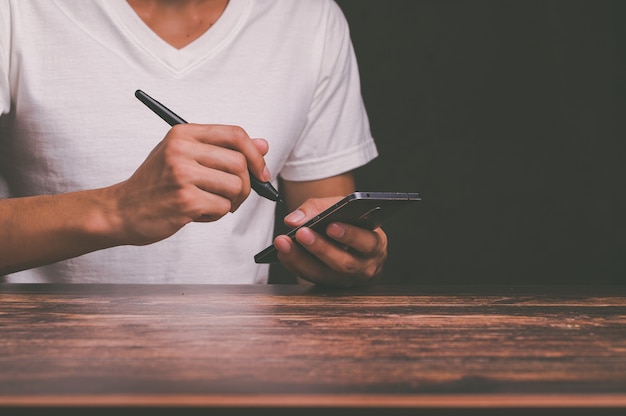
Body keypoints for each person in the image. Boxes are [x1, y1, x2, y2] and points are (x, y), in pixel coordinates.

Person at [0, 0, 386, 286]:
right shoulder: (17, 11)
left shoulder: (310, 18)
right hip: (43, 373)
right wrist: (117, 210)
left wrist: (347, 259)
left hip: (243, 376)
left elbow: (325, 255)